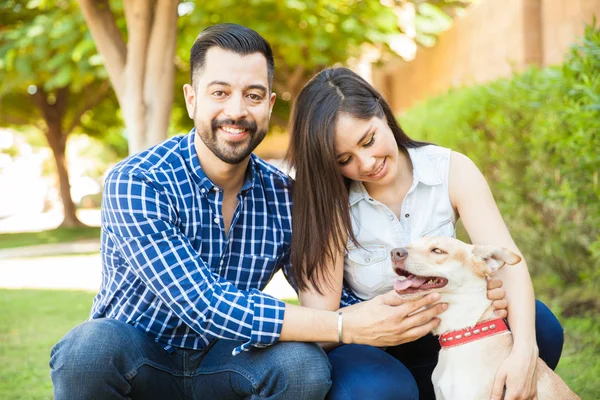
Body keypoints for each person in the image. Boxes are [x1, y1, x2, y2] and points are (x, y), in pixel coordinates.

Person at [286, 67, 565, 400]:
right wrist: (365, 321)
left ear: (382, 111)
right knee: (378, 388)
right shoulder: (330, 204)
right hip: (375, 347)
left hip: (449, 333)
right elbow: (321, 325)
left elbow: (507, 264)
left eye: (369, 140)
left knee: (540, 327)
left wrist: (523, 353)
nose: (366, 163)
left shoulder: (450, 169)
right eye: (345, 159)